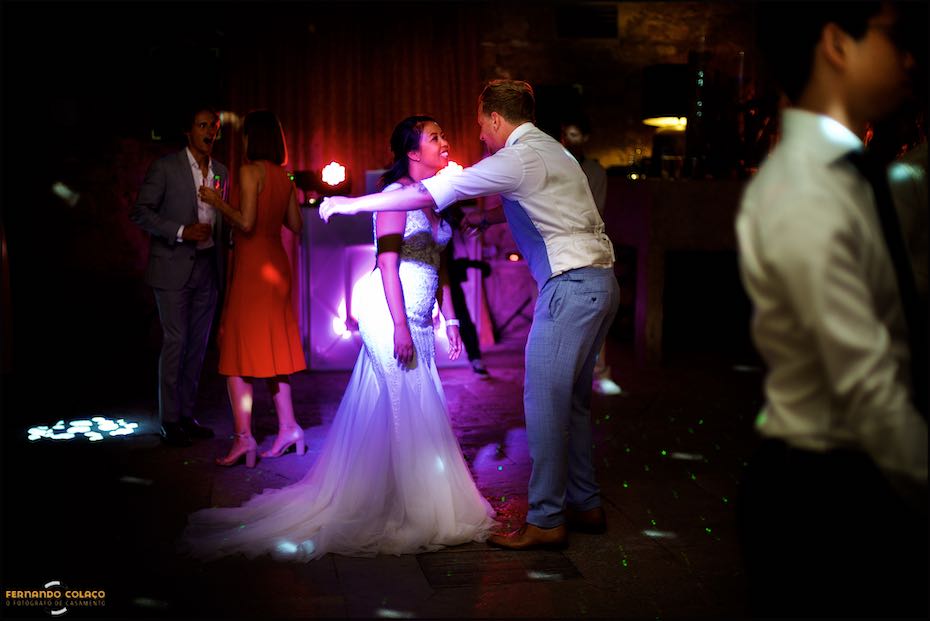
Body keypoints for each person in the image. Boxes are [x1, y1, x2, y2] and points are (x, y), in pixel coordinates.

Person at [320, 80, 620, 551]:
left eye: (481, 124)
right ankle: (586, 502)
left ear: (497, 120)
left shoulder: (516, 156)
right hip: (602, 284)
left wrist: (351, 202)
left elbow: (425, 198)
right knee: (576, 402)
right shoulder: (554, 152)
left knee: (543, 401)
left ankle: (546, 519)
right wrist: (491, 220)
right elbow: (547, 203)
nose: (477, 135)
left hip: (570, 287)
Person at [181, 115, 497, 560]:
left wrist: (447, 319)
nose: (445, 142)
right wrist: (401, 326)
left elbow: (437, 259)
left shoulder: (433, 198)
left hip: (421, 315)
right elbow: (387, 263)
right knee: (405, 403)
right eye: (435, 137)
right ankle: (410, 510)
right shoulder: (392, 197)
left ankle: (391, 496)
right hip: (389, 312)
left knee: (409, 402)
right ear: (412, 152)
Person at [735, 2, 927, 617]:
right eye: (893, 37)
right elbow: (866, 386)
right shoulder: (808, 190)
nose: (909, 58)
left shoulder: (867, 177)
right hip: (830, 492)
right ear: (837, 45)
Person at [196, 110, 307, 468]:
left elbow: (244, 222)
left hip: (254, 268)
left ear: (251, 139)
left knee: (235, 354)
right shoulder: (282, 176)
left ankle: (245, 438)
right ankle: (289, 428)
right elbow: (295, 224)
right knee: (274, 353)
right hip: (276, 265)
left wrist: (216, 202)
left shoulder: (249, 171)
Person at [130, 105, 228, 447]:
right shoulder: (166, 167)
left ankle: (187, 415)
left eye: (214, 127)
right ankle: (169, 420)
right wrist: (182, 231)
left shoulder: (220, 171)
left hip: (207, 269)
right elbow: (140, 212)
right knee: (176, 342)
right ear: (189, 131)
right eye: (203, 126)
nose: (209, 132)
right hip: (172, 265)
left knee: (198, 347)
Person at [561, 116, 622, 396]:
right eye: (566, 134)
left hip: (587, 251)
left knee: (595, 315)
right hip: (560, 253)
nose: (568, 140)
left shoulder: (595, 172)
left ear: (584, 137)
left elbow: (593, 212)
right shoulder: (555, 167)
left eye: (574, 134)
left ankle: (597, 371)